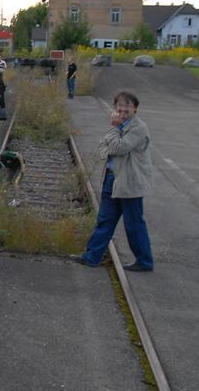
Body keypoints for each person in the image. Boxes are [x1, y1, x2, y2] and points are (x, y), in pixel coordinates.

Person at [71, 91, 155, 272]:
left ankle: (144, 261)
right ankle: (91, 256)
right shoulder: (119, 126)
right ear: (115, 108)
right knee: (105, 219)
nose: (123, 113)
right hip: (112, 178)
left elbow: (119, 147)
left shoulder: (138, 128)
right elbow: (103, 147)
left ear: (135, 109)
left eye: (127, 110)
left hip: (129, 182)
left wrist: (115, 129)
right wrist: (111, 143)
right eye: (120, 109)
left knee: (133, 223)